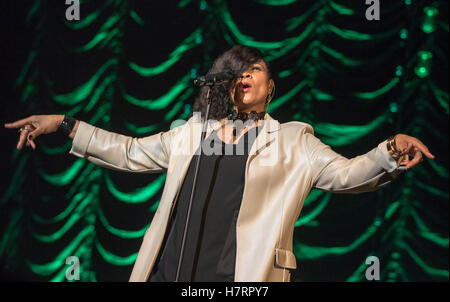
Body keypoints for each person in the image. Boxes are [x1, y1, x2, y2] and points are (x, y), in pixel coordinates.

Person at [5, 45, 434, 282]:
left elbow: (347, 175)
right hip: (167, 274)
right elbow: (130, 152)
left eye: (256, 69)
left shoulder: (292, 140)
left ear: (271, 87)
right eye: (238, 69)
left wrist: (388, 150)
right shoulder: (193, 133)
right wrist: (65, 123)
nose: (245, 74)